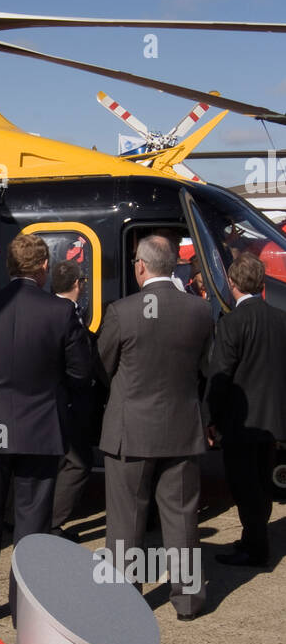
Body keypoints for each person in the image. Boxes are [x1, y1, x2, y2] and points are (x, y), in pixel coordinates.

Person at [0, 233, 91, 625]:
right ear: (43, 268)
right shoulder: (60, 312)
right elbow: (81, 372)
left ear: (10, 267)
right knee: (32, 522)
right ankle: (24, 613)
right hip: (41, 428)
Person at [98, 233, 214, 619]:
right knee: (182, 519)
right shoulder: (199, 311)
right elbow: (206, 368)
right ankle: (188, 599)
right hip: (181, 428)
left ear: (142, 266)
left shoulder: (121, 311)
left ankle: (128, 603)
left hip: (130, 432)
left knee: (126, 523)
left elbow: (103, 366)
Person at [206, 251, 286, 567]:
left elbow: (219, 375)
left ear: (232, 282)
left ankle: (255, 547)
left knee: (244, 487)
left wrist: (209, 418)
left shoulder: (231, 322)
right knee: (261, 484)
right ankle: (255, 539)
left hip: (241, 421)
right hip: (272, 418)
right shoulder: (280, 319)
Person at [50, 259, 105, 537]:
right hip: (71, 401)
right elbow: (79, 367)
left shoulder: (47, 310)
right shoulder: (69, 315)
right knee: (78, 463)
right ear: (77, 284)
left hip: (52, 402)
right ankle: (50, 523)